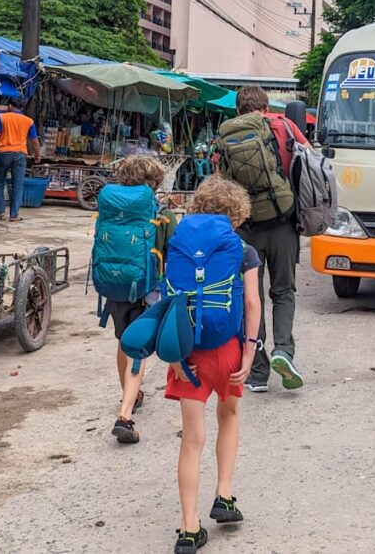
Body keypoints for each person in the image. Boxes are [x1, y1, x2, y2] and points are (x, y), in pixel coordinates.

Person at [166, 176, 261, 553]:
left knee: (191, 440)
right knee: (230, 416)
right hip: (228, 349)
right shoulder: (242, 249)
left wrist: (173, 355)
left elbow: (167, 297)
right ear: (236, 213)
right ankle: (224, 495)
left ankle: (189, 530)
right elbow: (252, 304)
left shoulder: (180, 244)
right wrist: (251, 350)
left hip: (186, 349)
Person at [219, 85, 308, 393]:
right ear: (266, 105)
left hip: (245, 228)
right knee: (283, 291)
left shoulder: (227, 135)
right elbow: (309, 166)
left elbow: (222, 185)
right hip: (283, 221)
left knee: (249, 298)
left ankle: (257, 373)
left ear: (238, 109)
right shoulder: (285, 126)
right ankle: (284, 350)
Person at [103, 156, 177, 445]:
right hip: (146, 289)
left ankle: (130, 395)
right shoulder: (162, 215)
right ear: (155, 183)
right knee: (138, 349)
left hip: (113, 285)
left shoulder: (111, 211)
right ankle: (124, 415)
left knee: (123, 340)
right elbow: (174, 250)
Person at [0, 100, 41, 222]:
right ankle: (14, 215)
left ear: (10, 106)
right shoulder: (29, 121)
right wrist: (38, 155)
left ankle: (0, 212)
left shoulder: (2, 117)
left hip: (4, 153)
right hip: (20, 155)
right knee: (17, 184)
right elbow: (34, 141)